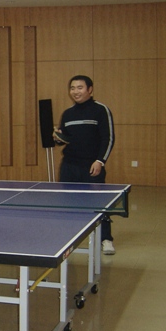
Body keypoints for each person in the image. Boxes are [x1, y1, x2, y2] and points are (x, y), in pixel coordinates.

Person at [53, 75, 116, 255]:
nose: (75, 91)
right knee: (68, 204)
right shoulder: (68, 113)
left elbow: (108, 138)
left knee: (99, 204)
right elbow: (65, 139)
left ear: (90, 90)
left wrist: (100, 161)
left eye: (80, 87)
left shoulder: (101, 110)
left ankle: (106, 239)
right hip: (69, 165)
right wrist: (58, 138)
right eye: (72, 88)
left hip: (91, 165)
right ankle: (69, 238)